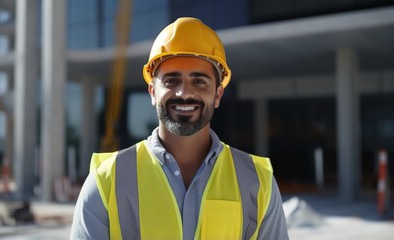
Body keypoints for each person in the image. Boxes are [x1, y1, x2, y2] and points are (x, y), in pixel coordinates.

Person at [70, 17, 289, 240]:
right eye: (172, 80)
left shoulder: (258, 182)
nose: (184, 92)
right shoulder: (106, 181)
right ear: (153, 92)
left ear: (218, 95)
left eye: (199, 81)